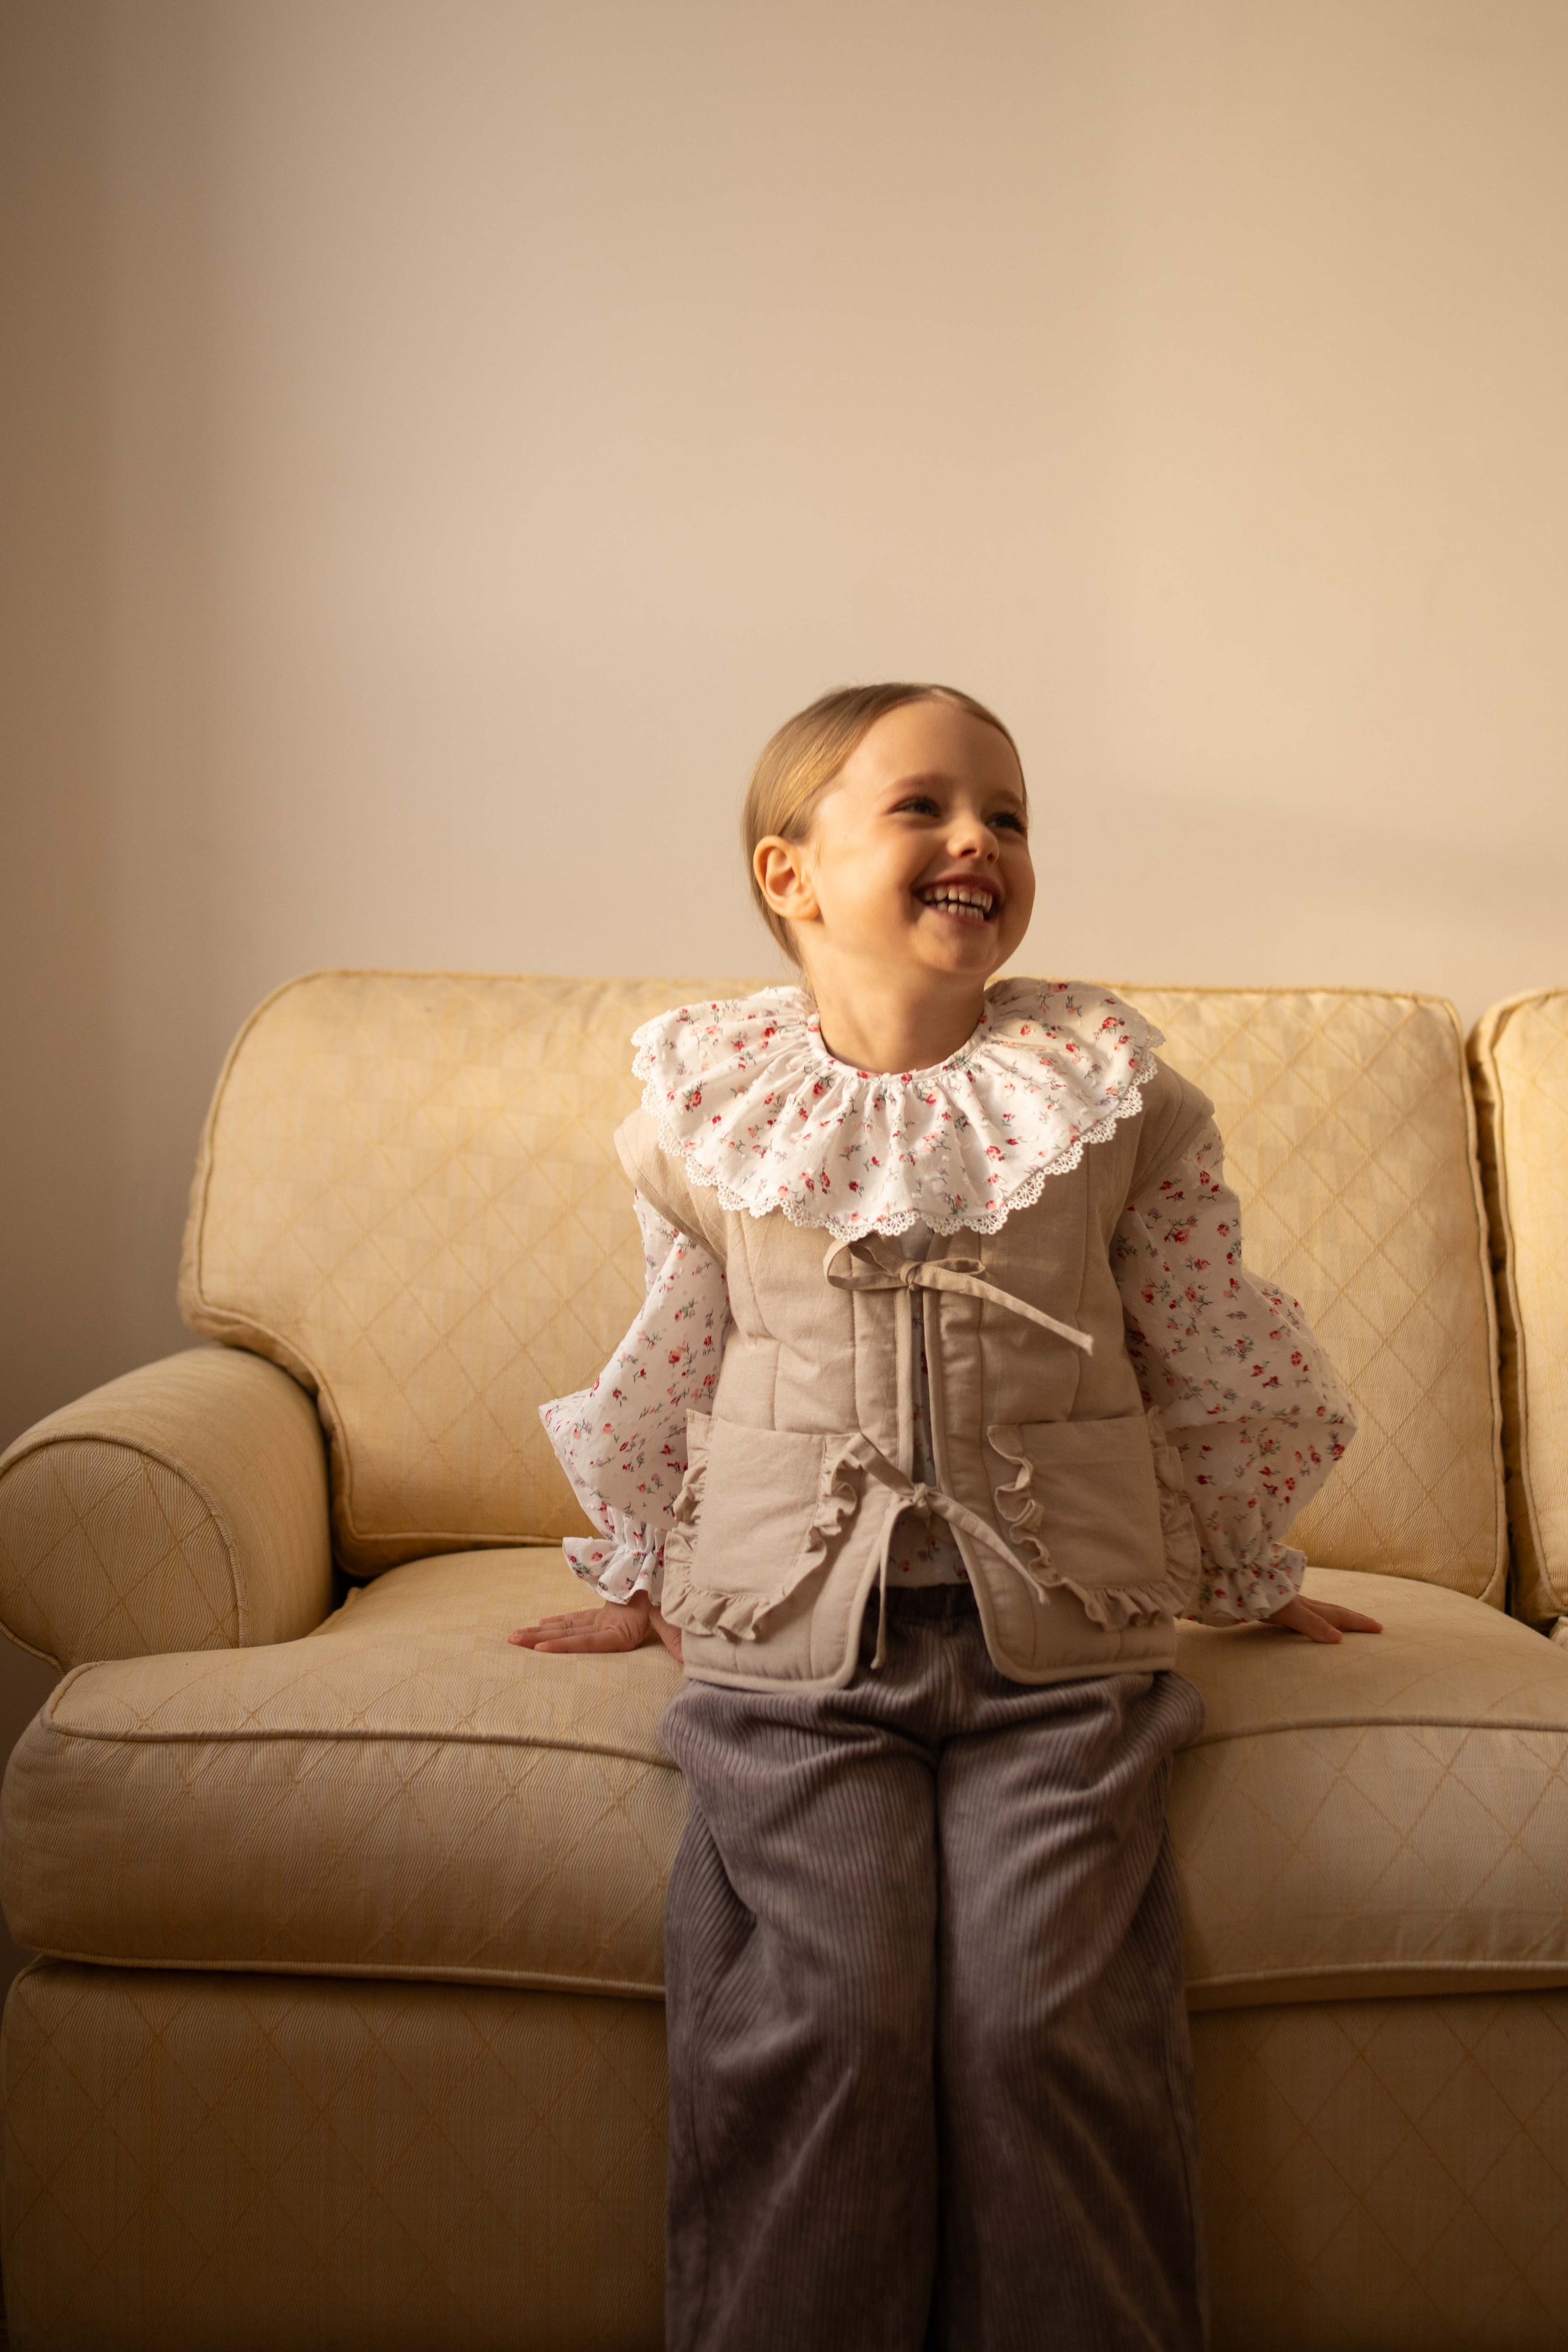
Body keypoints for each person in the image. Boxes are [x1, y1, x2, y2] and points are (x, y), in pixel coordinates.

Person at [510, 682, 1375, 2352]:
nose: (981, 838)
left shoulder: (1114, 1105)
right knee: (821, 2017)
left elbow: (1206, 1347)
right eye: (925, 807)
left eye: (1012, 815)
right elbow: (676, 1360)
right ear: (793, 875)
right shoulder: (710, 1116)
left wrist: (1250, 1564)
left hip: (1061, 1662)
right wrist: (638, 1563)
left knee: (1046, 2025)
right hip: (789, 1662)